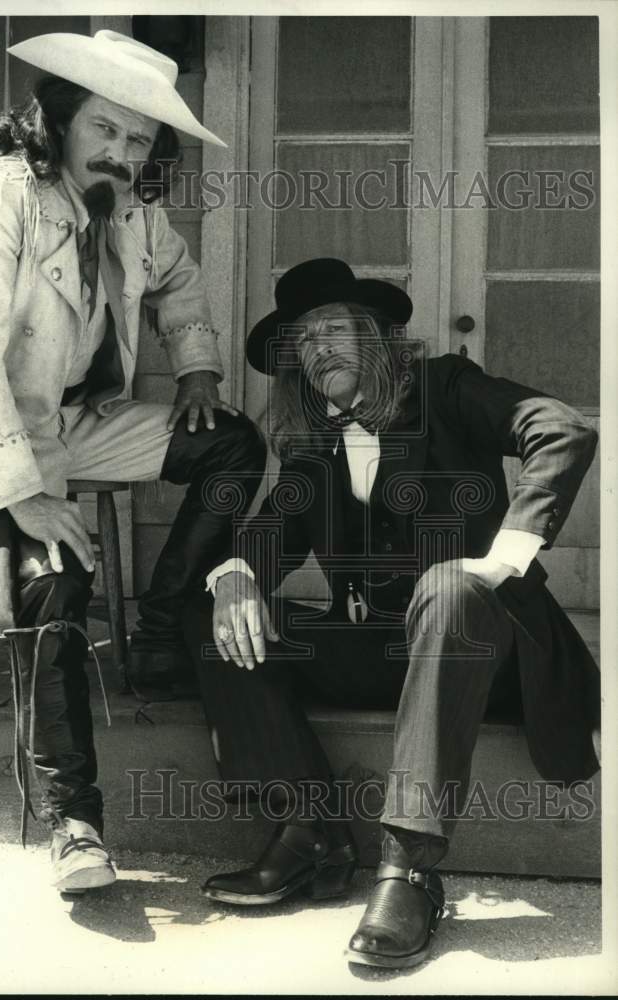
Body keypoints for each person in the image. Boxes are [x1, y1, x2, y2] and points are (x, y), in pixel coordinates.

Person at [0, 30, 265, 892]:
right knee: (55, 581)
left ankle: (161, 626)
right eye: (106, 128)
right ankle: (75, 824)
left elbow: (178, 281)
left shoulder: (131, 208)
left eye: (139, 139)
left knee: (232, 443)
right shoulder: (0, 194)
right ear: (57, 119)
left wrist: (197, 367)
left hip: (78, 418)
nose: (122, 152)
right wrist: (21, 493)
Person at [182, 257, 600, 968]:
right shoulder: (314, 444)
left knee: (448, 588)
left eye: (332, 329)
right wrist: (236, 577)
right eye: (302, 341)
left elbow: (561, 430)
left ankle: (407, 870)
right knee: (216, 609)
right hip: (384, 652)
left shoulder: (446, 388)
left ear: (374, 335)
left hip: (486, 651)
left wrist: (502, 560)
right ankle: (309, 829)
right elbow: (268, 539)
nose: (317, 349)